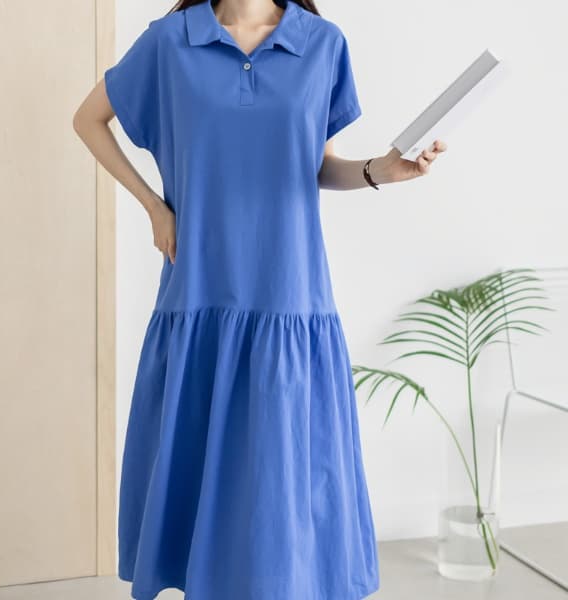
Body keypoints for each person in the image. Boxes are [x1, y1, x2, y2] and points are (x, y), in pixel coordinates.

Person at [73, 1, 446, 598]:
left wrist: (381, 171)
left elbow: (317, 166)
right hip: (200, 285)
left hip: (289, 287)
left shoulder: (321, 43)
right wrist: (154, 207)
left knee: (281, 487)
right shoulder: (171, 42)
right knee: (204, 469)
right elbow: (89, 119)